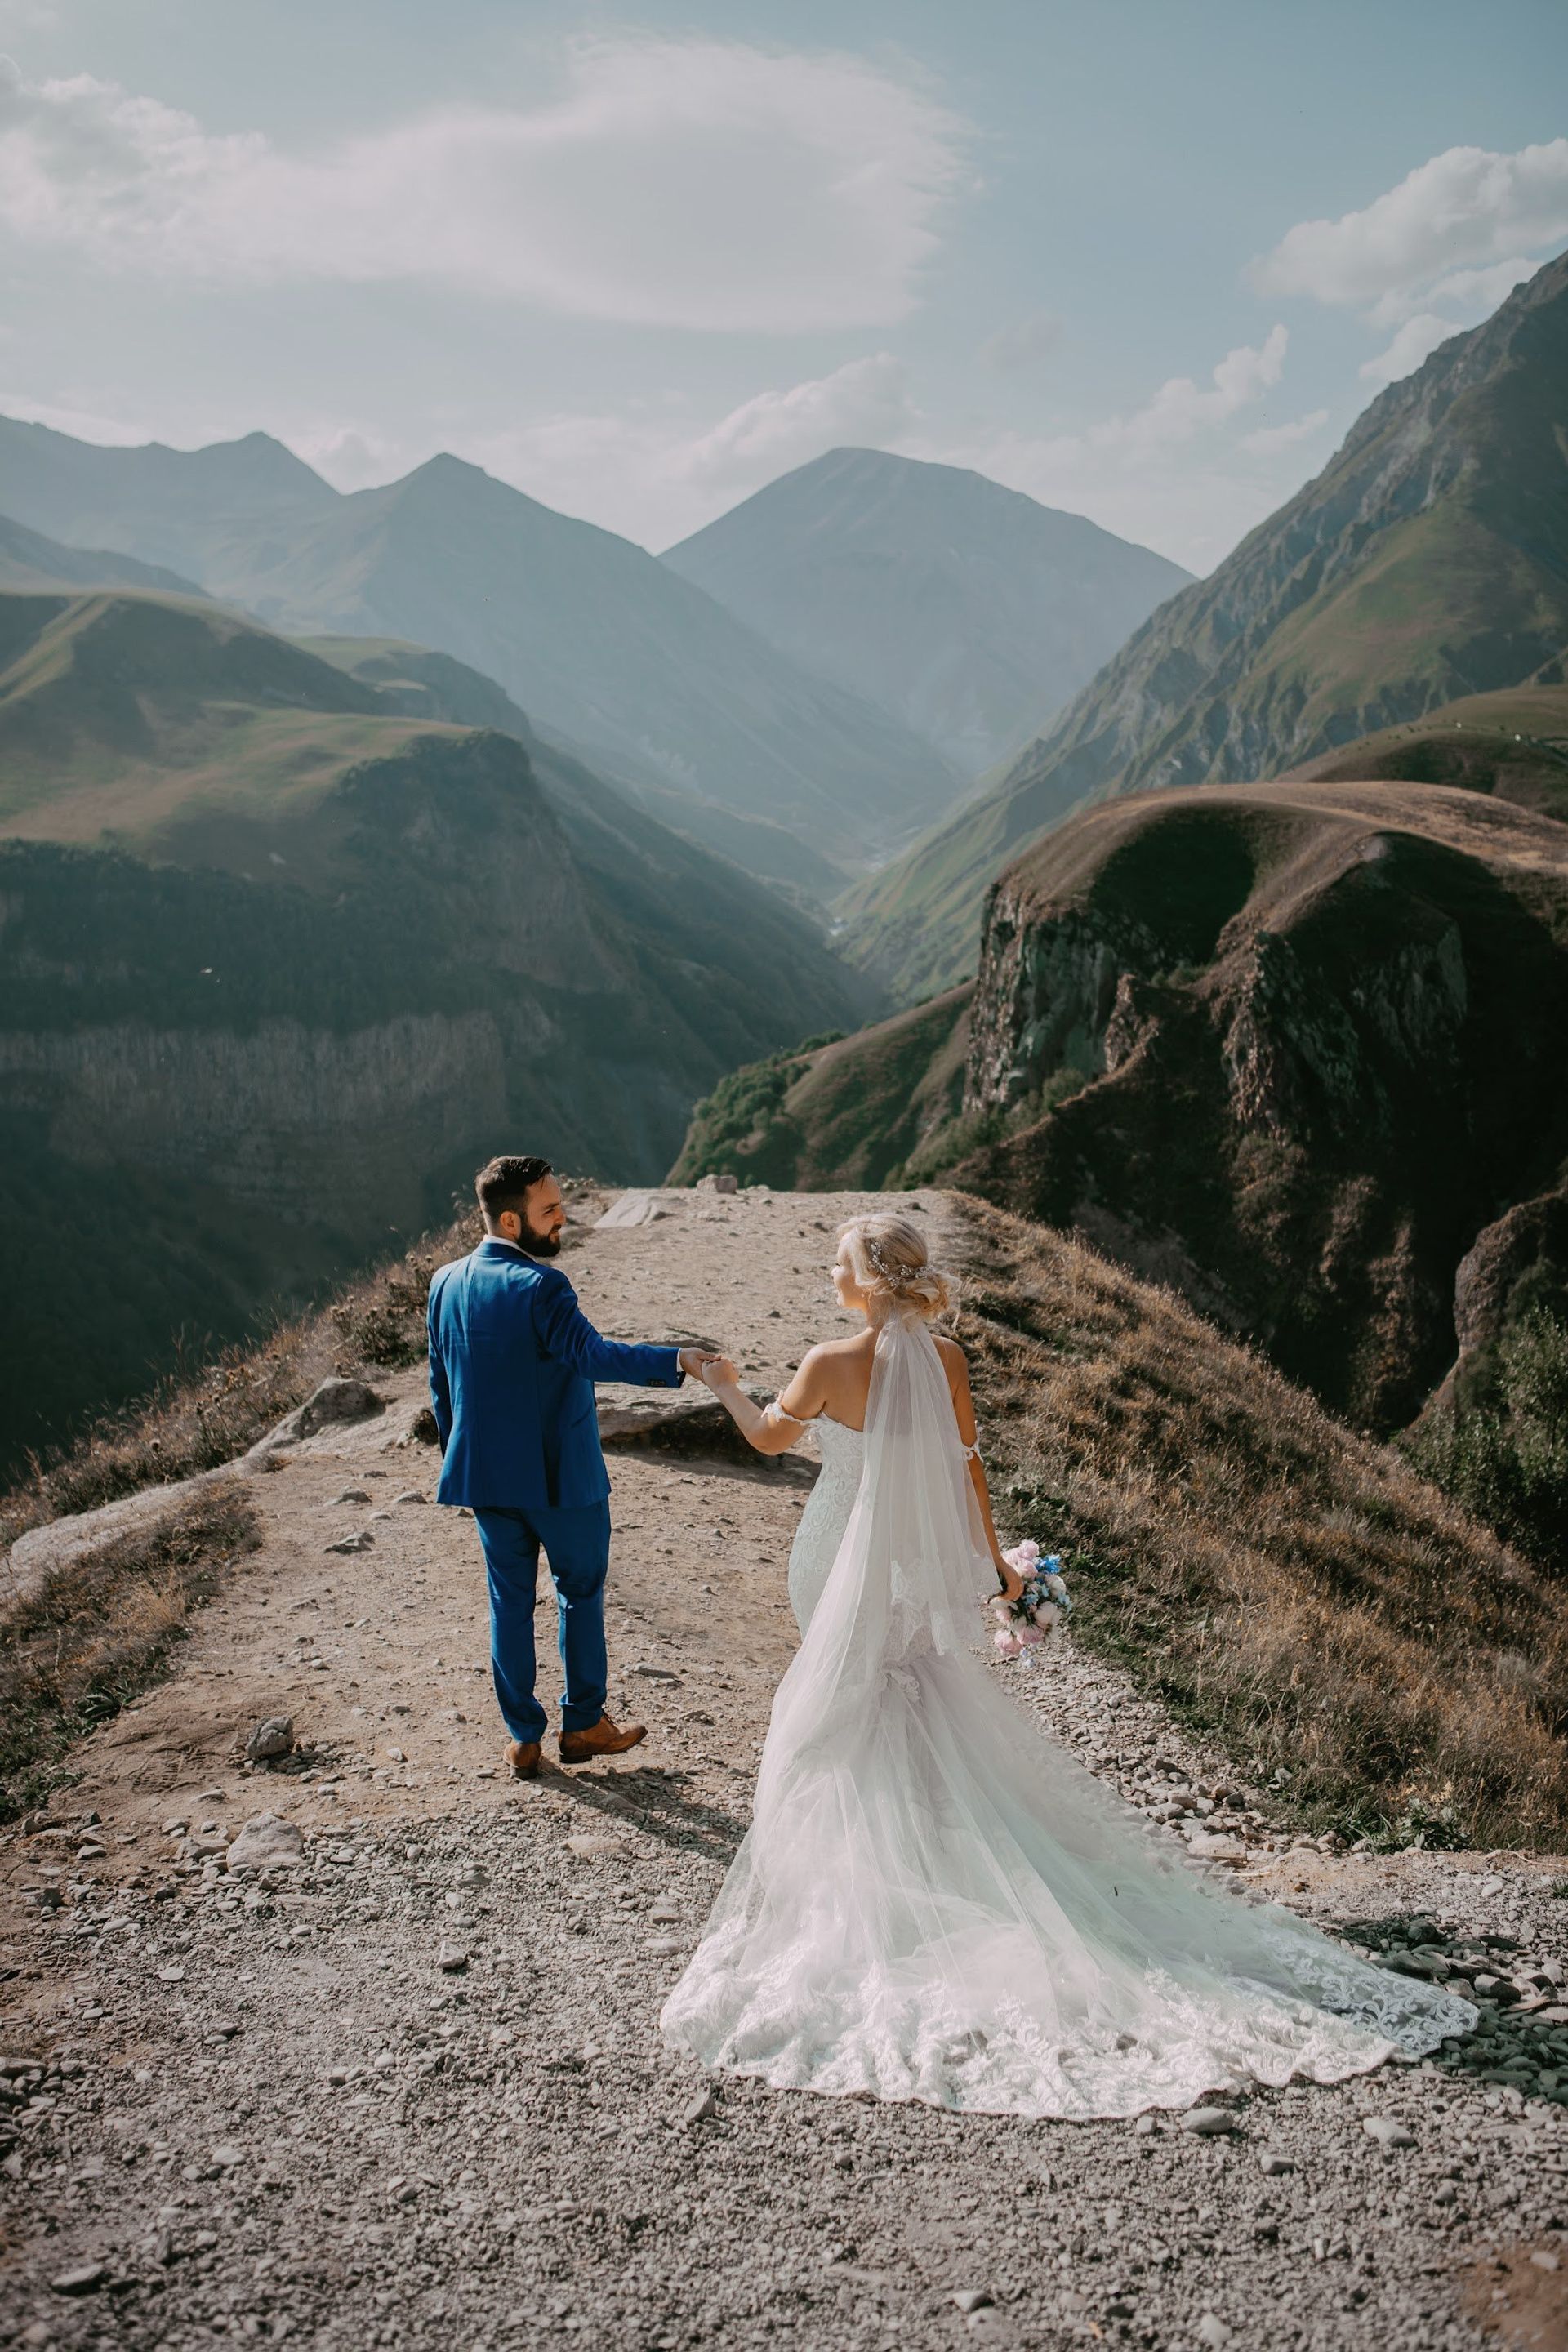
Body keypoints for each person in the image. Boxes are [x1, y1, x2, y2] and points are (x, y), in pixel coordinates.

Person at [661, 1213, 1474, 2120]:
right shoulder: (950, 1360)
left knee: (839, 1711)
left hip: (836, 1558)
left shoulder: (826, 1361)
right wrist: (993, 1569)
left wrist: (729, 1385)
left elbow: (770, 1442)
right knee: (914, 1699)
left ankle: (876, 1886)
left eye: (838, 1262)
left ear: (868, 1279)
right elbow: (969, 1471)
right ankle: (930, 1863)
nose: (829, 1272)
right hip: (908, 1567)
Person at [427, 1155, 717, 1779]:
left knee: (508, 1602)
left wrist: (461, 1458)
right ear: (511, 1221)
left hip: (485, 1479)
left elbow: (441, 1386)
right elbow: (591, 1355)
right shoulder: (542, 1287)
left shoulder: (444, 1282)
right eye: (550, 1211)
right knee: (578, 1595)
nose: (564, 1219)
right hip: (562, 1481)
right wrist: (679, 1359)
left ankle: (523, 1737)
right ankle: (583, 1724)